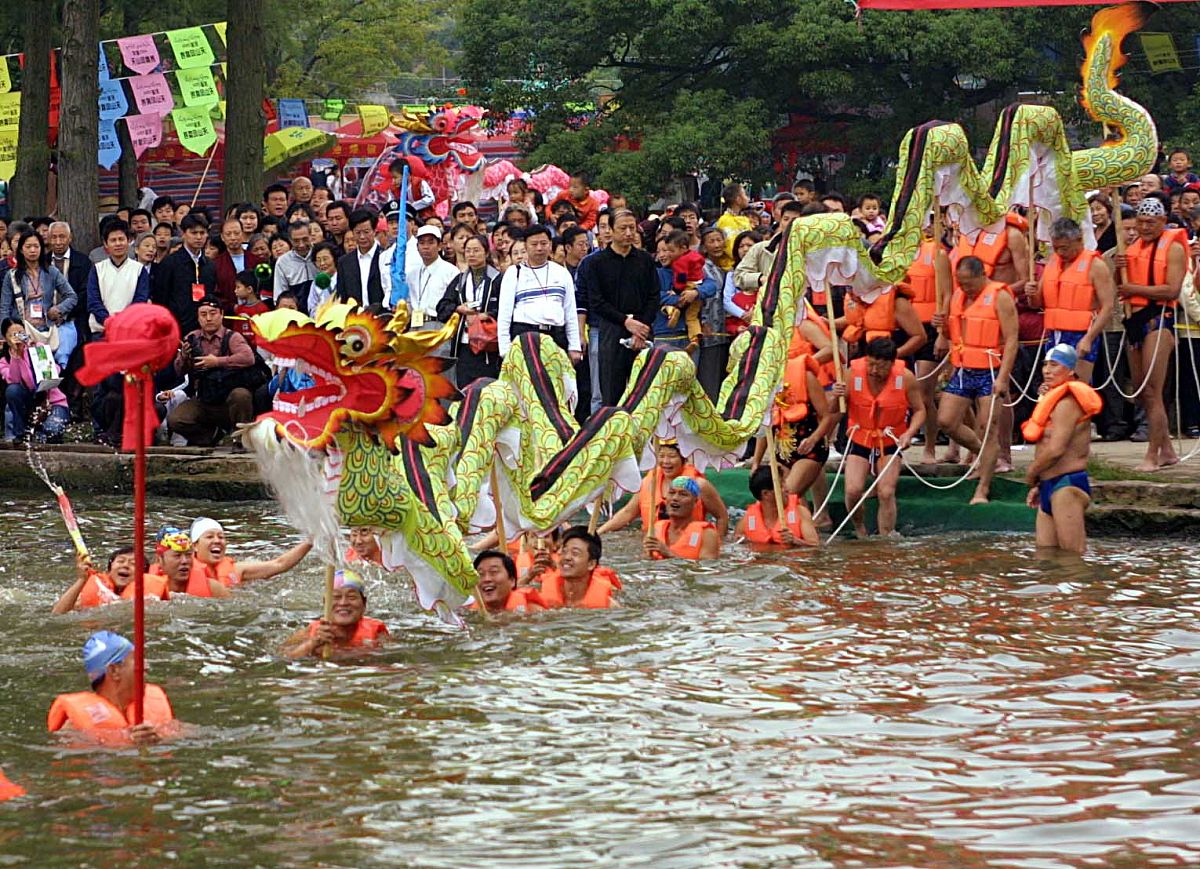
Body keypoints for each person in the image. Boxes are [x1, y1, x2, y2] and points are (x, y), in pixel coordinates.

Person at [937, 256, 1019, 504]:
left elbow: (1013, 339)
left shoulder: (1000, 296)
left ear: (982, 275)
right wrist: (941, 330)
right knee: (946, 421)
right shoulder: (958, 297)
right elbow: (955, 332)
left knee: (988, 429)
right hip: (964, 367)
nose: (965, 288)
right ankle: (983, 457)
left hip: (990, 370)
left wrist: (1003, 378)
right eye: (960, 283)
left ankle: (982, 489)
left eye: (969, 283)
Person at [1114, 194, 1185, 470]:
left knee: (1154, 390)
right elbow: (1120, 288)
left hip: (1159, 318)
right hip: (1134, 320)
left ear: (1163, 221)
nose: (1145, 227)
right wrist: (1118, 270)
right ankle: (1166, 450)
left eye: (1151, 222)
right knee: (1143, 391)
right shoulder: (1131, 248)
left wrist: (1135, 290)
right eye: (1141, 222)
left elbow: (1172, 290)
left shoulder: (1174, 248)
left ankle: (1152, 454)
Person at [1021, 344, 1103, 554]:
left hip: (1066, 486)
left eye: (1054, 365)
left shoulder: (1069, 402)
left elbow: (1057, 448)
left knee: (1072, 558)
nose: (1047, 370)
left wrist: (1031, 472)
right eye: (1045, 365)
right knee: (1045, 557)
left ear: (1070, 370)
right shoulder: (1052, 399)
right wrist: (1039, 484)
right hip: (1048, 484)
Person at [841, 337, 926, 537]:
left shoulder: (905, 377)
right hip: (860, 436)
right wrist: (837, 396)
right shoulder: (852, 373)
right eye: (870, 364)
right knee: (853, 491)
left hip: (890, 439)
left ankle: (886, 536)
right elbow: (834, 409)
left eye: (879, 367)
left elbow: (920, 410)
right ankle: (860, 528)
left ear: (891, 363)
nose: (873, 371)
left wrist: (908, 434)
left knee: (886, 492)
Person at [577, 210, 659, 405]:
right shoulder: (596, 263)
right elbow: (596, 301)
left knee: (645, 393)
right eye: (623, 228)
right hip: (611, 330)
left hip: (643, 329)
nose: (629, 233)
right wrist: (626, 322)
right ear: (611, 231)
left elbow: (653, 296)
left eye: (632, 228)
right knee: (611, 393)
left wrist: (640, 328)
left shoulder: (645, 260)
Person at [1026, 217, 1115, 384]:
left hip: (1081, 333)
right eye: (1056, 248)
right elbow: (1037, 304)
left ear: (1079, 240)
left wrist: (1088, 338)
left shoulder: (1095, 265)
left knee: (1076, 387)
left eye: (1064, 248)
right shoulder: (1053, 263)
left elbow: (1108, 307)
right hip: (1054, 333)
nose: (1060, 252)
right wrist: (1031, 292)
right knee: (1053, 387)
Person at [47, 631, 177, 745]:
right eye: (138, 660)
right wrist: (128, 742)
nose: (146, 666)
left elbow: (183, 734)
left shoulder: (152, 704)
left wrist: (159, 738)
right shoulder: (73, 728)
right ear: (114, 671)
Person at [167, 296, 260, 448]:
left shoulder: (232, 337)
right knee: (176, 419)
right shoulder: (192, 337)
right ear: (198, 317)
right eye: (203, 315)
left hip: (229, 399)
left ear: (221, 314)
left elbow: (248, 358)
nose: (208, 318)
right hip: (204, 398)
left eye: (213, 313)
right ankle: (209, 436)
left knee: (241, 395)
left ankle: (239, 439)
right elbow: (178, 371)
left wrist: (217, 361)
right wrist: (184, 357)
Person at [600, 439, 729, 536]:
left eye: (672, 456)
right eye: (661, 456)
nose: (666, 461)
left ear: (683, 459)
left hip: (688, 542)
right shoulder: (648, 482)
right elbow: (627, 513)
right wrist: (599, 533)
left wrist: (716, 543)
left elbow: (722, 516)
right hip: (654, 542)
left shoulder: (699, 485)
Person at [496, 224, 582, 360]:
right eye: (534, 244)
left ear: (550, 244)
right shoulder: (514, 273)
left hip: (556, 336)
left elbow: (570, 312)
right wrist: (505, 350)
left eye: (543, 243)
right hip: (525, 336)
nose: (539, 248)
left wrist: (574, 346)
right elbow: (504, 315)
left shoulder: (561, 273)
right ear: (525, 246)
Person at [0, 229, 78, 369]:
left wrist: (58, 309)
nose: (32, 250)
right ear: (21, 250)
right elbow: (4, 307)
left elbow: (72, 296)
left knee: (47, 371)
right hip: (23, 330)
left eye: (36, 246)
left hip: (46, 329)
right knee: (28, 372)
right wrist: (4, 333)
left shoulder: (51, 271)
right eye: (28, 247)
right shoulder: (11, 275)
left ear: (42, 249)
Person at [436, 233, 501, 386]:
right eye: (468, 250)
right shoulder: (460, 280)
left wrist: (485, 315)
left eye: (476, 250)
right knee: (465, 390)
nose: (471, 254)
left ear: (486, 252)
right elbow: (442, 307)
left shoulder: (498, 279)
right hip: (464, 344)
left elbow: (507, 309)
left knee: (488, 389)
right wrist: (459, 309)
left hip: (489, 345)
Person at [282, 569, 389, 658]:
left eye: (351, 597)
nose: (343, 603)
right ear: (325, 603)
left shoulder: (377, 631)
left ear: (364, 603)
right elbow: (284, 657)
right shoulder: (312, 632)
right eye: (336, 597)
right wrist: (313, 643)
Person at [187, 517, 312, 588]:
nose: (217, 541)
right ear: (195, 546)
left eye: (221, 537)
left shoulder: (238, 570)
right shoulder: (182, 573)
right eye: (209, 537)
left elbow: (279, 564)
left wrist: (311, 541)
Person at [2, 318, 69, 443]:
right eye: (13, 335)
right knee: (12, 390)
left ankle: (39, 431)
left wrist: (43, 359)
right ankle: (21, 433)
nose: (18, 337)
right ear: (6, 339)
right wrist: (16, 356)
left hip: (52, 401)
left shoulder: (38, 347)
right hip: (29, 404)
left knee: (52, 431)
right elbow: (14, 380)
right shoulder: (5, 361)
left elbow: (54, 372)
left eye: (20, 332)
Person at [152, 213, 217, 336]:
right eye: (194, 233)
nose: (198, 237)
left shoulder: (209, 265)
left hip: (204, 326)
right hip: (176, 326)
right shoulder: (170, 263)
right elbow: (161, 297)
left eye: (202, 233)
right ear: (183, 233)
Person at [51, 547, 168, 613]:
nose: (125, 565)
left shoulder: (152, 598)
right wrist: (82, 579)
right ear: (109, 570)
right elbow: (57, 614)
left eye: (134, 563)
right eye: (121, 561)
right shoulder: (96, 588)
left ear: (144, 575)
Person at [86, 219, 150, 335]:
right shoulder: (97, 269)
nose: (118, 243)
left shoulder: (139, 270)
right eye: (113, 240)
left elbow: (140, 300)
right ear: (105, 244)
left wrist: (124, 321)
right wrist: (108, 321)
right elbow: (93, 301)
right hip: (102, 330)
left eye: (121, 239)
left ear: (129, 241)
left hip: (131, 330)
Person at [538, 527, 621, 608]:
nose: (567, 557)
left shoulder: (610, 607)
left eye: (575, 553)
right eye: (564, 551)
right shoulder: (539, 603)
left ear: (591, 564)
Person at [735, 466, 818, 546]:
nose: (787, 489)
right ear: (766, 494)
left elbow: (816, 546)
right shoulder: (747, 521)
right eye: (781, 486)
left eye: (784, 483)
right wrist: (744, 545)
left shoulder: (801, 513)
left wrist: (795, 541)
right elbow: (735, 543)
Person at [644, 477, 721, 560]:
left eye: (683, 494)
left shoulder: (707, 534)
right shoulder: (655, 529)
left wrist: (669, 554)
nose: (675, 498)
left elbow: (707, 569)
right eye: (671, 493)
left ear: (695, 502)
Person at [149, 526, 231, 597]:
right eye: (177, 556)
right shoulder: (146, 590)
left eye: (188, 555)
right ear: (159, 559)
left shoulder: (214, 589)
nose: (184, 561)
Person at [660, 229, 706, 352]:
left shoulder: (680, 262)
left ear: (683, 248)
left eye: (670, 251)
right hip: (698, 284)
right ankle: (695, 338)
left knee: (690, 317)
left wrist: (676, 291)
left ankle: (675, 310)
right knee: (693, 315)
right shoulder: (695, 256)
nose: (667, 254)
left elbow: (681, 279)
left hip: (690, 287)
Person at [336, 209, 389, 308]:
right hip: (355, 318)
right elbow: (342, 296)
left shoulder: (386, 256)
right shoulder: (344, 262)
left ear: (374, 231)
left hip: (382, 316)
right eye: (358, 232)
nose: (362, 237)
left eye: (366, 232)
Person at [406, 224, 458, 326]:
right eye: (422, 243)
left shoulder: (451, 271)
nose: (426, 247)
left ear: (439, 246)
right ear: (417, 247)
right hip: (414, 324)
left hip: (439, 323)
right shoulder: (412, 273)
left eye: (431, 242)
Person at [471, 550, 545, 614]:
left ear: (512, 581)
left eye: (494, 572)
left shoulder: (533, 612)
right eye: (480, 574)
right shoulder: (471, 613)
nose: (486, 579)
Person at [213, 219, 263, 311]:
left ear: (243, 234)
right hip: (229, 315)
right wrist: (233, 307)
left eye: (236, 233)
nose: (233, 237)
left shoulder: (256, 261)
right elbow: (215, 293)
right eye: (228, 234)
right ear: (222, 237)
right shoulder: (216, 264)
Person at [273, 221, 317, 311]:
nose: (301, 245)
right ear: (290, 240)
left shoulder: (320, 255)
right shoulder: (282, 262)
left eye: (305, 239)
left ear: (311, 236)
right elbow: (279, 295)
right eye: (296, 241)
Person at [716, 183, 754, 253]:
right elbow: (730, 248)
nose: (748, 199)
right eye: (745, 195)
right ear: (738, 199)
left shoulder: (745, 219)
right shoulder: (724, 220)